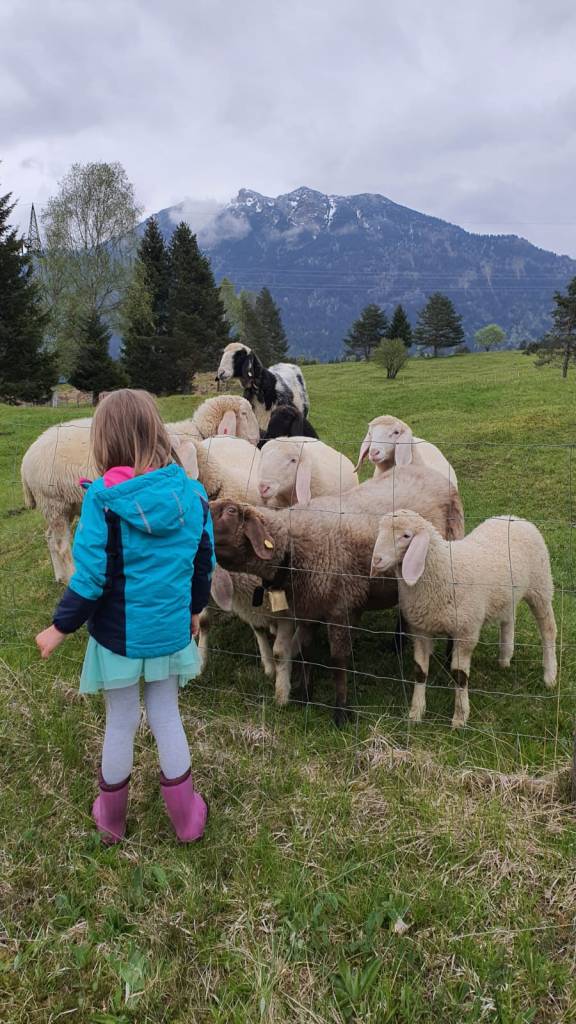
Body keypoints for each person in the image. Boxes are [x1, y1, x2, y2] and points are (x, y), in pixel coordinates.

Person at [35, 389, 214, 845]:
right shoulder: (193, 496)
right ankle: (187, 819)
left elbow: (91, 577)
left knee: (121, 721)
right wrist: (194, 610)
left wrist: (60, 626)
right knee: (167, 716)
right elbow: (202, 563)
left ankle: (111, 820)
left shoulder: (102, 500)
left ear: (103, 441)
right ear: (157, 434)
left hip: (118, 639)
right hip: (170, 634)